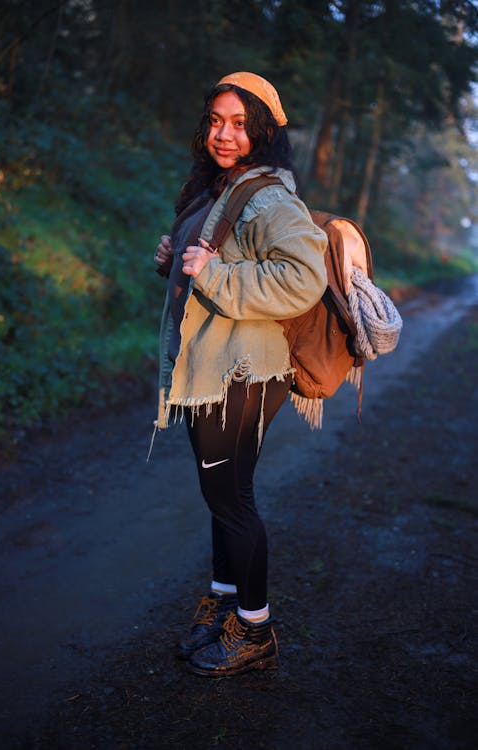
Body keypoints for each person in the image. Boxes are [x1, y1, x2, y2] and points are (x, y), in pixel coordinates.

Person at [153, 72, 328, 677]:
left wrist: (212, 276)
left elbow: (304, 278)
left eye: (239, 123)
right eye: (216, 120)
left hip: (245, 370)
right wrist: (177, 259)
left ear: (263, 131)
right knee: (221, 496)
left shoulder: (270, 198)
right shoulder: (222, 187)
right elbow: (217, 258)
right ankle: (225, 605)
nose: (224, 134)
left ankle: (255, 629)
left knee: (231, 500)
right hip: (216, 363)